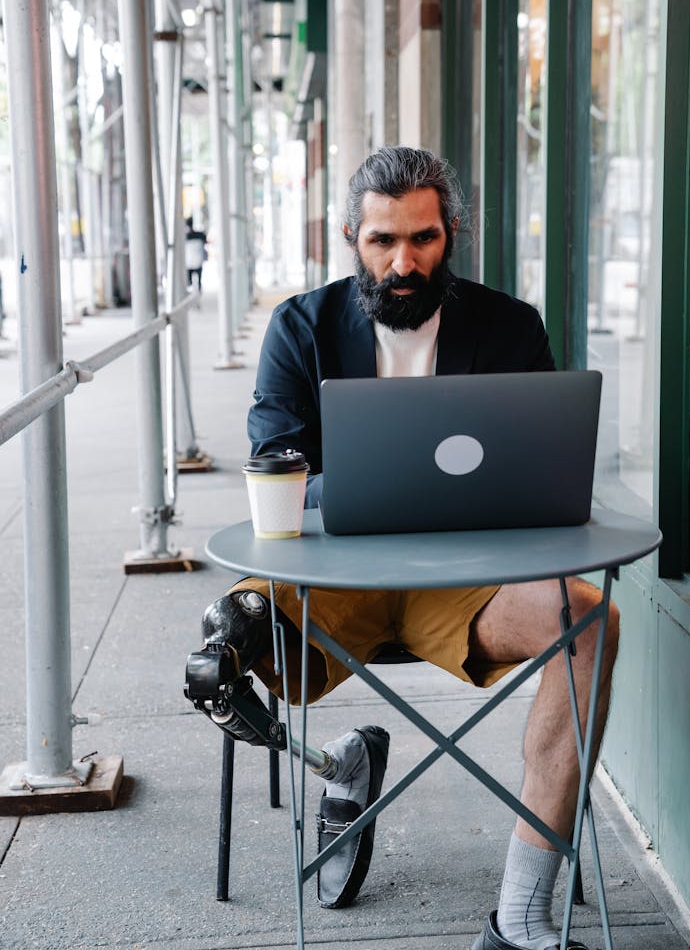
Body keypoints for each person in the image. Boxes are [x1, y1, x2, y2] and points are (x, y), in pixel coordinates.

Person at [199, 146, 618, 950]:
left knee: (591, 621)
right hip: (333, 574)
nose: (402, 261)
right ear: (350, 234)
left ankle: (521, 915)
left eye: (422, 239)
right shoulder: (300, 327)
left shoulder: (509, 327)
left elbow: (548, 468)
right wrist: (350, 487)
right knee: (224, 643)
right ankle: (337, 763)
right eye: (382, 240)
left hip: (467, 584)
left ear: (450, 232)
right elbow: (275, 462)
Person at [185, 216, 208, 291]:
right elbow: (206, 241)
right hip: (198, 261)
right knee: (199, 281)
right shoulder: (200, 235)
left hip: (189, 262)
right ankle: (199, 288)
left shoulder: (185, 236)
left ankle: (192, 290)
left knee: (189, 282)